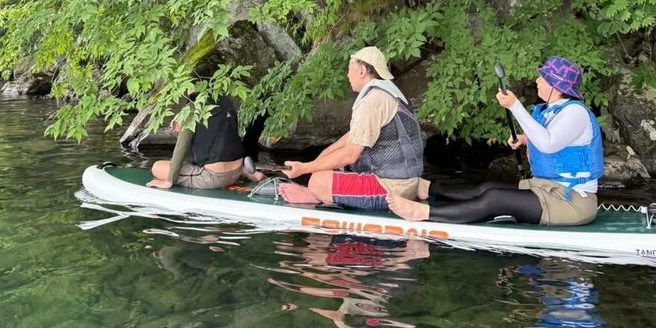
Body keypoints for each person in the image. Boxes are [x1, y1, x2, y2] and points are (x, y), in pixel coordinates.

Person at [387, 56, 603, 226]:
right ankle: (429, 189)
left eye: (543, 78)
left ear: (556, 86)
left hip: (571, 201)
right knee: (487, 187)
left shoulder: (576, 112)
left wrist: (515, 106)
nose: (537, 81)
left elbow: (548, 143)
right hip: (547, 187)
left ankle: (422, 213)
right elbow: (555, 139)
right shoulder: (553, 110)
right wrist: (524, 139)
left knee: (494, 199)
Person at [279, 46, 424, 210]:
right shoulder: (388, 93)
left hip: (391, 190)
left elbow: (350, 155)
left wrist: (303, 169)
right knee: (327, 164)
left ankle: (314, 194)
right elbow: (353, 135)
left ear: (362, 70)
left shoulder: (371, 101)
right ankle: (319, 194)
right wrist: (320, 159)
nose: (348, 75)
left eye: (350, 69)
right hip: (406, 183)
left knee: (318, 182)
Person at [147, 93, 264, 190]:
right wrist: (183, 129)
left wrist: (169, 181)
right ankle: (248, 172)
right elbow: (222, 138)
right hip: (237, 167)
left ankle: (237, 174)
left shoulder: (192, 108)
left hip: (214, 177)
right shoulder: (225, 101)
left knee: (157, 167)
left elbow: (181, 147)